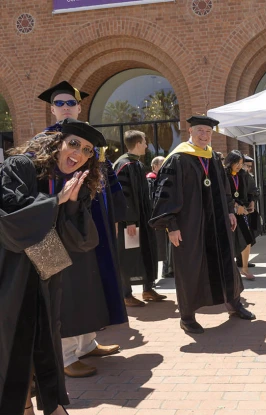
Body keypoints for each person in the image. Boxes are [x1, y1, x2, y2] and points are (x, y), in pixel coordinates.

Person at [0, 119, 105, 415]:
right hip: (13, 272)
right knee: (16, 338)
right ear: (57, 142)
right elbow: (7, 218)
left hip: (46, 270)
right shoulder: (20, 165)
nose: (79, 153)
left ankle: (54, 404)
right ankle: (23, 412)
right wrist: (54, 201)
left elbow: (80, 239)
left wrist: (70, 204)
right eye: (74, 143)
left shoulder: (70, 181)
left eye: (87, 150)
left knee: (46, 337)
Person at [37, 82, 126, 379]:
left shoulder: (89, 140)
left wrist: (114, 217)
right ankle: (64, 356)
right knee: (67, 289)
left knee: (90, 283)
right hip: (56, 227)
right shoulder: (44, 141)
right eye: (59, 103)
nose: (65, 107)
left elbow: (105, 178)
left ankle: (87, 344)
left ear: (78, 107)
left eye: (70, 103)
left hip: (88, 222)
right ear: (52, 108)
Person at [149, 115, 255, 335]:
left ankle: (234, 304)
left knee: (226, 262)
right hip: (190, 224)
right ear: (190, 132)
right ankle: (187, 317)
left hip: (217, 222)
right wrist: (172, 225)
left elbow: (224, 187)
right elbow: (165, 195)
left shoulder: (213, 157)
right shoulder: (177, 158)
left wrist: (229, 211)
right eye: (199, 131)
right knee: (190, 267)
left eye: (208, 132)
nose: (204, 135)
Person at [114, 130, 165, 307]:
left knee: (146, 251)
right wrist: (129, 221)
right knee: (130, 256)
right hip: (131, 222)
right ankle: (126, 294)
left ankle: (147, 289)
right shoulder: (123, 165)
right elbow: (122, 196)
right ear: (137, 143)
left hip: (142, 218)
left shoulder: (135, 163)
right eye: (144, 142)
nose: (146, 145)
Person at [224, 150, 257, 280]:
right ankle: (230, 270)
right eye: (236, 163)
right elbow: (222, 195)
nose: (239, 166)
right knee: (230, 241)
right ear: (230, 162)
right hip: (228, 211)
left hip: (242, 211)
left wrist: (252, 201)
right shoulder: (223, 175)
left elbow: (252, 190)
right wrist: (234, 206)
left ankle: (244, 268)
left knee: (247, 240)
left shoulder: (243, 175)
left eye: (241, 163)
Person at [147, 156, 174, 279]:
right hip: (156, 216)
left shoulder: (162, 179)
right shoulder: (150, 179)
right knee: (159, 245)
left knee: (166, 243)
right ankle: (161, 272)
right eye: (162, 163)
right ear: (155, 166)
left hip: (164, 215)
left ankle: (168, 270)